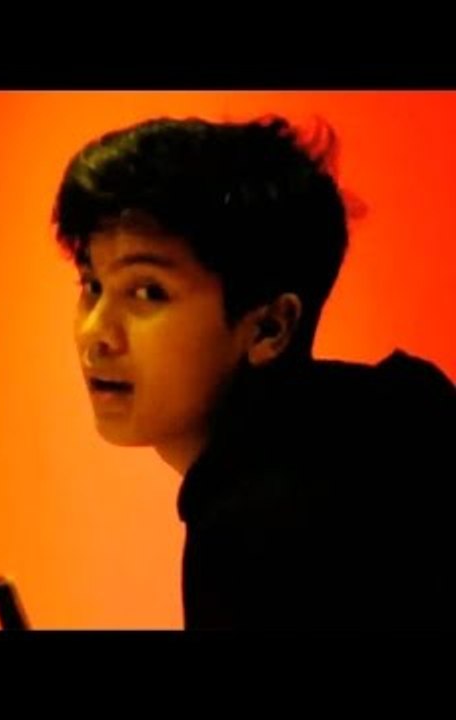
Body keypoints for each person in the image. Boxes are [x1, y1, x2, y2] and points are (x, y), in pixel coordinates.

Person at [52, 115, 456, 630]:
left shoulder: (255, 534)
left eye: (148, 291)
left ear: (269, 327)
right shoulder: (395, 412)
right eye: (91, 285)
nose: (96, 332)